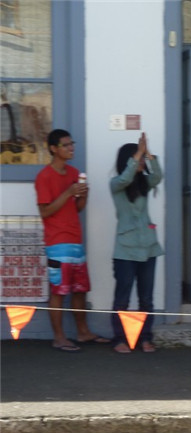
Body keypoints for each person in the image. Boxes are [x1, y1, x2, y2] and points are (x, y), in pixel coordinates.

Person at [35, 129, 110, 351]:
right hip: (57, 242)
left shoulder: (74, 172)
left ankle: (83, 332)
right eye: (66, 145)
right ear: (53, 149)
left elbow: (77, 209)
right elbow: (45, 212)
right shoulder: (44, 177)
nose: (71, 148)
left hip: (75, 240)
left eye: (72, 144)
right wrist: (68, 193)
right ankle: (59, 338)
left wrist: (83, 195)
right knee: (59, 291)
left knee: (79, 289)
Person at [109, 133, 164, 353]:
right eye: (138, 158)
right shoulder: (116, 184)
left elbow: (158, 176)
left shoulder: (145, 183)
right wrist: (138, 154)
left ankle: (144, 338)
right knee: (122, 298)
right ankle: (119, 339)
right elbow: (124, 179)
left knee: (146, 299)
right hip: (125, 250)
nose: (141, 162)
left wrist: (149, 155)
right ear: (128, 161)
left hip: (148, 248)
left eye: (142, 159)